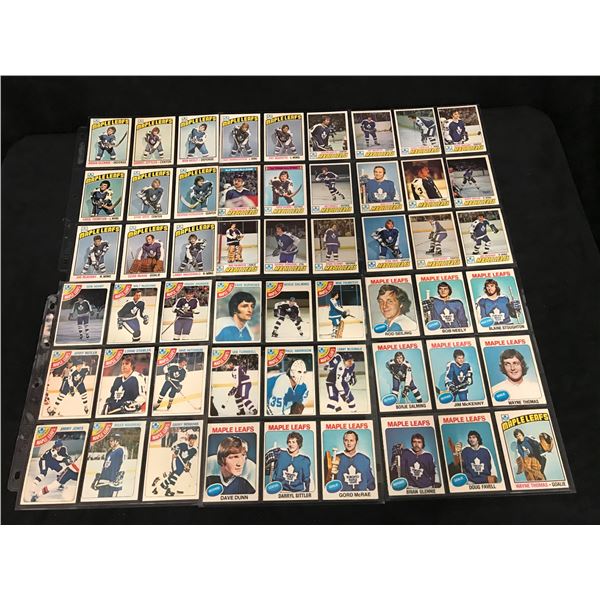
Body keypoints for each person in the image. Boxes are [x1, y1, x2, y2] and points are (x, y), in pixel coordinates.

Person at [152, 430, 198, 496]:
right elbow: (174, 447)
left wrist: (188, 465)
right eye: (191, 439)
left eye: (194, 440)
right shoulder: (183, 444)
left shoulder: (194, 450)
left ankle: (158, 488)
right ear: (189, 439)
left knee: (171, 476)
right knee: (175, 474)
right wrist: (176, 450)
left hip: (183, 464)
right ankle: (169, 490)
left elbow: (190, 459)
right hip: (177, 461)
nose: (192, 441)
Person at [91, 433, 126, 497]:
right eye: (109, 441)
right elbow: (104, 467)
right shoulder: (109, 452)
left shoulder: (121, 450)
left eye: (112, 441)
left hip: (111, 483)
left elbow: (124, 464)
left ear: (117, 441)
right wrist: (97, 479)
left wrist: (120, 476)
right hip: (103, 482)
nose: (110, 442)